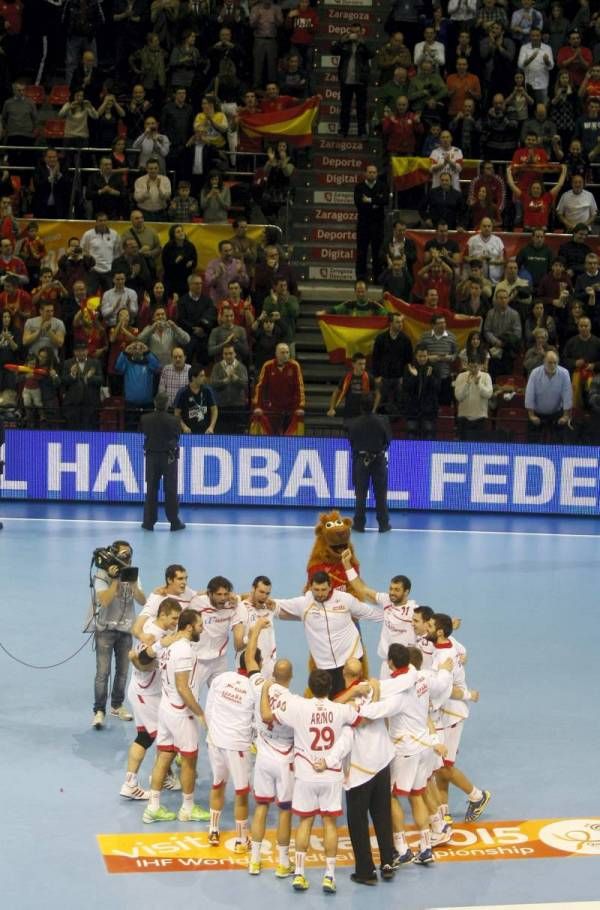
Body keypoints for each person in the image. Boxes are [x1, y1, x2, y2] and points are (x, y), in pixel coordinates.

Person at [262, 668, 358, 893]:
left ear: (309, 687)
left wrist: (266, 688)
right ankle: (329, 876)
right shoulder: (340, 710)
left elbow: (268, 715)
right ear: (330, 688)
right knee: (329, 823)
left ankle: (300, 874)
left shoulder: (299, 706)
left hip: (306, 775)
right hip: (331, 774)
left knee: (305, 823)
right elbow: (357, 717)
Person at [205, 619, 268, 851]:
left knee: (217, 784)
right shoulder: (255, 687)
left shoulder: (220, 679)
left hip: (214, 741)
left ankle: (213, 830)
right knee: (241, 792)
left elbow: (209, 710)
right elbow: (258, 722)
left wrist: (212, 735)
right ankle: (242, 838)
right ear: (257, 664)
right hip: (237, 745)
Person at [332, 658, 396, 884]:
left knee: (358, 822)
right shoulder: (373, 691)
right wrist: (373, 692)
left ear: (343, 673)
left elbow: (353, 715)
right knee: (382, 815)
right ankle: (388, 861)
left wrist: (352, 694)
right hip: (382, 761)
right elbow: (378, 712)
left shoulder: (344, 704)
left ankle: (365, 871)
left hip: (360, 770)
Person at [141, 609, 208, 824]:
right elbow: (183, 687)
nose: (202, 628)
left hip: (166, 708)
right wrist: (200, 713)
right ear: (189, 627)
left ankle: (153, 807)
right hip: (182, 713)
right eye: (200, 625)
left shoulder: (168, 647)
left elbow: (146, 656)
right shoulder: (184, 651)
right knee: (189, 760)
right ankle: (187, 808)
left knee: (164, 756)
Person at [273, 572, 383, 697]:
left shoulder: (345, 599)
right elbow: (275, 605)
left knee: (355, 700)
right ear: (310, 587)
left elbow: (368, 612)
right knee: (331, 702)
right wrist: (248, 599)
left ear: (330, 586)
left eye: (323, 589)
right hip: (325, 665)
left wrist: (392, 616)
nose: (320, 594)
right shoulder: (303, 604)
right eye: (316, 590)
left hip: (350, 660)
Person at [121, 597, 182, 800]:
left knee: (145, 737)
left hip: (150, 693)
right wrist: (136, 660)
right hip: (145, 694)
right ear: (162, 615)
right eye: (173, 618)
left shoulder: (156, 628)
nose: (176, 622)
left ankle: (131, 783)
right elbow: (141, 663)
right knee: (168, 738)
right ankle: (159, 776)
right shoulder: (153, 636)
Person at [88, 539, 146, 729]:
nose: (126, 558)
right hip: (105, 629)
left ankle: (116, 705)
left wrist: (133, 584)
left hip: (126, 630)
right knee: (102, 673)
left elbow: (142, 600)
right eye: (122, 555)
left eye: (128, 555)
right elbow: (104, 600)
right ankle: (99, 711)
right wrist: (115, 580)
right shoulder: (101, 575)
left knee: (122, 673)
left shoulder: (132, 574)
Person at [248, 657, 295, 877]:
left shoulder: (260, 688)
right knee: (285, 811)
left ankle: (255, 860)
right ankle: (283, 862)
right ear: (291, 677)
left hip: (263, 759)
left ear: (274, 674)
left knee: (261, 808)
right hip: (285, 761)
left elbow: (250, 661)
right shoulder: (294, 703)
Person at [341, 551, 416, 678]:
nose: (392, 592)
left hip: (406, 665)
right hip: (387, 664)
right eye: (391, 588)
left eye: (397, 590)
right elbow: (362, 589)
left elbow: (431, 626)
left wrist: (450, 624)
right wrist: (347, 565)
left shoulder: (414, 610)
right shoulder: (387, 600)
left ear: (406, 592)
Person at [344, 393, 391, 533]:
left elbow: (351, 441)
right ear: (373, 406)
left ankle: (359, 524)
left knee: (360, 493)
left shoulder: (353, 423)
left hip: (361, 459)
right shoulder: (382, 421)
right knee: (380, 493)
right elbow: (388, 439)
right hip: (378, 459)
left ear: (361, 407)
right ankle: (383, 524)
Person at [139, 391, 185, 531]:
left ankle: (148, 522)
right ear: (167, 404)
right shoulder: (175, 420)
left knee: (151, 489)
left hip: (152, 457)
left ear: (154, 403)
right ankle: (174, 521)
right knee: (170, 489)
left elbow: (144, 433)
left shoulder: (145, 419)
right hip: (168, 457)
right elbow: (176, 437)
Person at [252, 342, 305, 435]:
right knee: (271, 436)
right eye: (282, 352)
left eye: (287, 352)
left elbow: (299, 387)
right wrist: (257, 406)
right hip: (272, 409)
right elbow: (260, 387)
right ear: (276, 354)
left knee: (288, 436)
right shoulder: (267, 366)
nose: (285, 355)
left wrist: (300, 406)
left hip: (290, 409)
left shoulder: (295, 366)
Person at [332, 22, 373, 138]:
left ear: (361, 32)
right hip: (346, 79)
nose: (355, 34)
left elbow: (371, 54)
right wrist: (342, 40)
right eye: (352, 32)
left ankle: (362, 131)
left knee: (361, 107)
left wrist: (362, 43)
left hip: (361, 80)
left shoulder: (364, 43)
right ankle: (343, 130)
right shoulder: (345, 43)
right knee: (345, 107)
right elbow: (333, 50)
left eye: (357, 32)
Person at [524, 349, 573, 442]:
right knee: (532, 442)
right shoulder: (535, 373)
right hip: (537, 413)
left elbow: (567, 395)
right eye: (550, 363)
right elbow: (529, 394)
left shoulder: (564, 373)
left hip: (557, 413)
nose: (553, 365)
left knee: (560, 440)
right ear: (544, 362)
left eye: (555, 362)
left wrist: (566, 416)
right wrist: (531, 415)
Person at [354, 164, 387, 283]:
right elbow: (359, 204)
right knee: (361, 251)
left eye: (374, 172)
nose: (372, 174)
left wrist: (370, 200)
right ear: (365, 174)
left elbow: (385, 201)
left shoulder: (382, 186)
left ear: (377, 174)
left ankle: (377, 277)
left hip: (378, 225)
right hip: (363, 224)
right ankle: (360, 276)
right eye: (369, 172)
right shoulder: (359, 187)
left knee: (377, 252)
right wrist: (375, 204)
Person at [61, 341, 103, 429]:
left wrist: (90, 378)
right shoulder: (67, 363)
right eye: (78, 351)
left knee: (90, 431)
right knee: (73, 431)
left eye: (83, 350)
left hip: (91, 405)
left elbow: (100, 380)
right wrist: (72, 375)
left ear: (87, 351)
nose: (81, 353)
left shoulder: (95, 363)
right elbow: (63, 381)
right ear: (74, 352)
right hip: (73, 405)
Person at [210, 343, 249, 434]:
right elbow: (213, 384)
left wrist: (236, 379)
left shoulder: (241, 367)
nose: (228, 356)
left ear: (235, 354)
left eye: (230, 353)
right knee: (222, 433)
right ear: (222, 355)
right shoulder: (217, 367)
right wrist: (225, 381)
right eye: (225, 354)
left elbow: (245, 384)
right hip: (221, 406)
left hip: (238, 407)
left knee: (238, 434)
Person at [327, 353, 379, 422]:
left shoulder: (370, 377)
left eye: (364, 364)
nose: (363, 367)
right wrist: (331, 408)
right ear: (353, 364)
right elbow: (336, 393)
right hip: (349, 414)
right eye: (360, 364)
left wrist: (373, 410)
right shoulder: (346, 377)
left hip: (364, 415)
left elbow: (378, 395)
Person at [454, 360, 494, 440]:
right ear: (467, 366)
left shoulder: (486, 376)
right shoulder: (460, 376)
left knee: (478, 448)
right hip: (464, 418)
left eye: (475, 367)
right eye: (471, 367)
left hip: (480, 418)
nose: (473, 369)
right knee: (463, 448)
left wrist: (478, 384)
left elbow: (488, 395)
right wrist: (467, 384)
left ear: (480, 366)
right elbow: (458, 397)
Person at [174, 364, 218, 435]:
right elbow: (176, 414)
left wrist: (211, 427)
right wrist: (184, 427)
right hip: (188, 433)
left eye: (204, 375)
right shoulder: (182, 393)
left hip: (206, 432)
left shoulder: (207, 390)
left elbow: (214, 410)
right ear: (193, 378)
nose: (204, 378)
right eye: (201, 376)